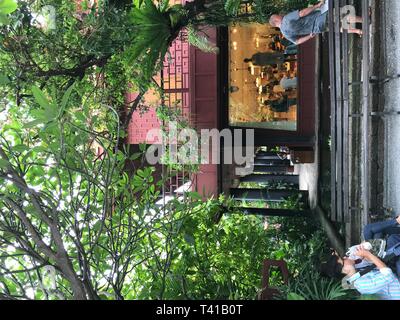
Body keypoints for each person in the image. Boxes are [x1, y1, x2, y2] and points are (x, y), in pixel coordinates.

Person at [320, 216, 400, 300]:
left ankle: (397, 221)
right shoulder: (361, 284)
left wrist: (366, 253)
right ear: (344, 270)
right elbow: (388, 275)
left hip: (393, 273)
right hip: (397, 284)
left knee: (391, 242)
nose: (344, 257)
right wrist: (369, 255)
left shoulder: (357, 274)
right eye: (343, 260)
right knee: (394, 245)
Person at [269, 0, 364, 45]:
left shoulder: (285, 33)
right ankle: (365, 20)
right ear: (276, 20)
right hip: (320, 17)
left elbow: (297, 42)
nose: (280, 15)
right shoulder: (286, 19)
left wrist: (309, 36)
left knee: (338, 28)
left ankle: (358, 31)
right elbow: (302, 13)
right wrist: (316, 6)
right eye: (278, 16)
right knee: (343, 16)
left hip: (318, 28)